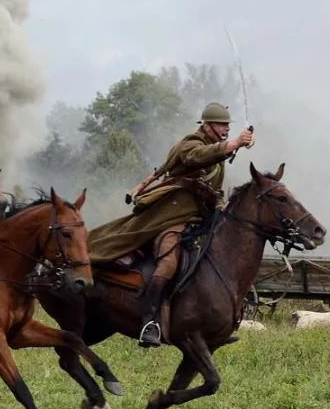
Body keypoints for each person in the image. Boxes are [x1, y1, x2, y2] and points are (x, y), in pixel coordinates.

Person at [87, 102, 255, 347]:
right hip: (170, 217)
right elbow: (197, 157)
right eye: (220, 124)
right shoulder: (190, 144)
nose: (225, 128)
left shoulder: (217, 152)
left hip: (200, 220)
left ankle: (213, 322)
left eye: (227, 125)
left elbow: (215, 175)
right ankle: (150, 322)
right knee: (168, 262)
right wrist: (234, 144)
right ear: (206, 126)